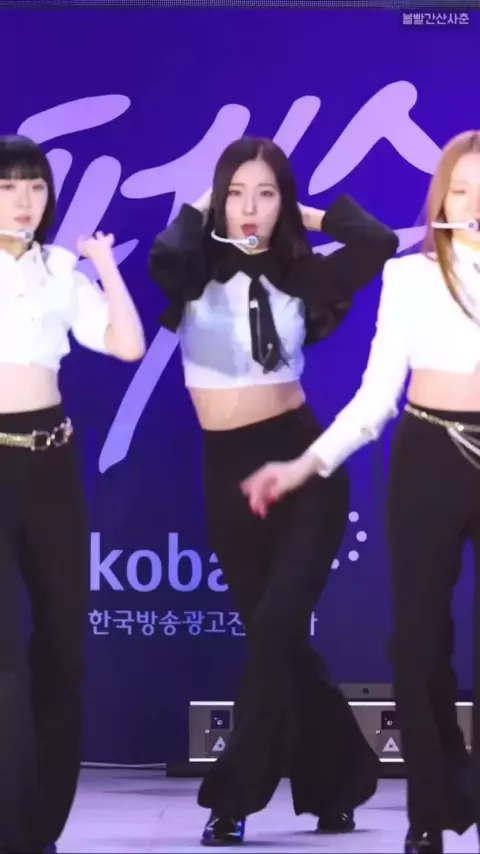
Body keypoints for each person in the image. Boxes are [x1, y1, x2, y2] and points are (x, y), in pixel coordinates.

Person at [149, 136, 398, 846]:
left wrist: (304, 216)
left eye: (265, 193)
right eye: (237, 193)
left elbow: (377, 242)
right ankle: (342, 780)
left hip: (302, 465)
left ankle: (232, 799)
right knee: (276, 638)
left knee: (276, 630)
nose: (250, 208)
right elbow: (165, 257)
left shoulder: (301, 272)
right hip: (224, 470)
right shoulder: (194, 268)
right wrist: (205, 208)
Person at [242, 130, 480, 854]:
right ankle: (430, 813)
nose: (473, 205)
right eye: (462, 190)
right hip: (429, 453)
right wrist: (303, 466)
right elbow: (376, 397)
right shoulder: (409, 278)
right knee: (417, 644)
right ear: (442, 199)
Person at [0, 134, 145, 854]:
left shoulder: (61, 269)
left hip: (52, 462)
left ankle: (42, 827)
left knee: (63, 648)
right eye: (7, 187)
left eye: (35, 187)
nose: (23, 201)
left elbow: (127, 345)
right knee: (4, 662)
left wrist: (105, 267)